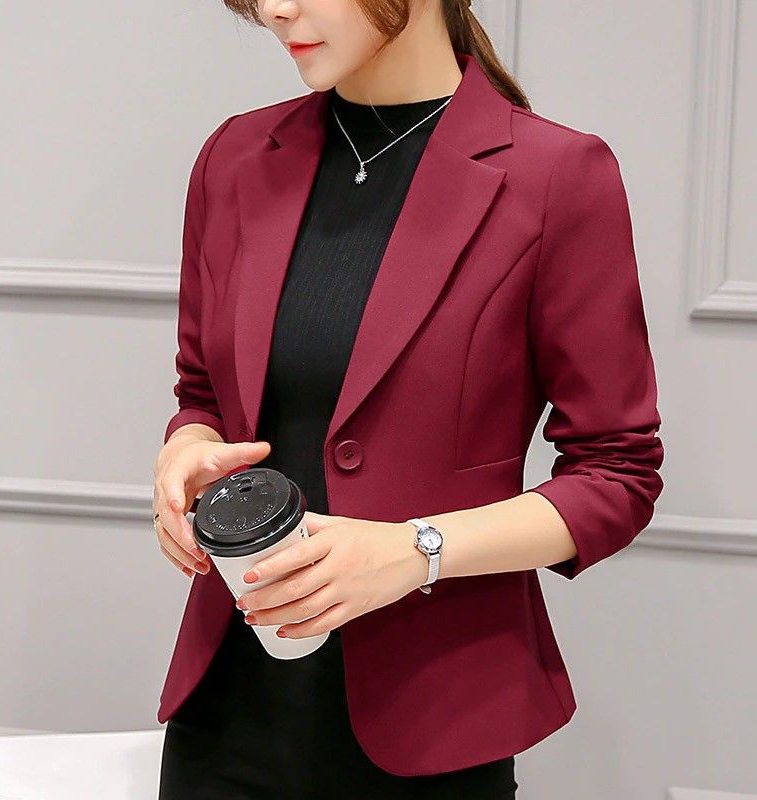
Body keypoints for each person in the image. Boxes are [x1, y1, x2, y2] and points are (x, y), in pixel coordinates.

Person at [152, 0, 665, 797]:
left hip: (435, 725)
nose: (275, 9)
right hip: (226, 715)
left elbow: (617, 474)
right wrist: (188, 447)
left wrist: (416, 551)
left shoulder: (558, 177)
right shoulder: (236, 156)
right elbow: (203, 392)